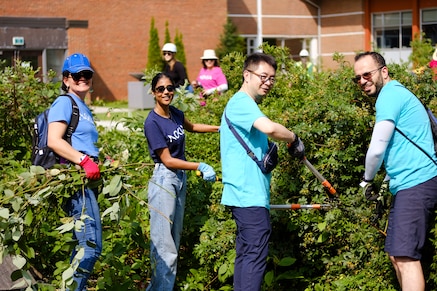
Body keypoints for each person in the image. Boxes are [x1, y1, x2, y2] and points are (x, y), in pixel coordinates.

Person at [219, 52, 305, 291]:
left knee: (247, 257)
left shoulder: (246, 105)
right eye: (263, 76)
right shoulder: (241, 102)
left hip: (250, 195)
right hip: (247, 196)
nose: (268, 82)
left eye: (272, 78)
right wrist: (293, 138)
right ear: (247, 75)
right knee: (254, 257)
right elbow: (269, 128)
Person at [355, 51, 437, 291]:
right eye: (357, 78)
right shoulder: (399, 93)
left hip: (417, 183)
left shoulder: (389, 96)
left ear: (384, 71)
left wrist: (366, 180)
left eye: (367, 74)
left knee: (405, 258)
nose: (362, 81)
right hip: (410, 184)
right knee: (395, 255)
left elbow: (377, 148)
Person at [143, 72, 219, 290]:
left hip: (179, 179)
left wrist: (220, 129)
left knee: (173, 241)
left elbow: (192, 127)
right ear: (153, 92)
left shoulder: (174, 113)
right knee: (164, 245)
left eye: (169, 88)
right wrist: (199, 165)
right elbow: (167, 160)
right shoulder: (152, 122)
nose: (166, 92)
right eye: (160, 89)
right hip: (164, 180)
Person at [47, 53, 102, 291]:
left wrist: (102, 160)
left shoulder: (83, 107)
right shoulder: (64, 102)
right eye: (77, 75)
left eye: (87, 74)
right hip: (75, 179)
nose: (83, 79)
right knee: (90, 246)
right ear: (66, 79)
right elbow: (54, 140)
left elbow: (81, 141)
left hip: (86, 180)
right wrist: (84, 161)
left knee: (86, 245)